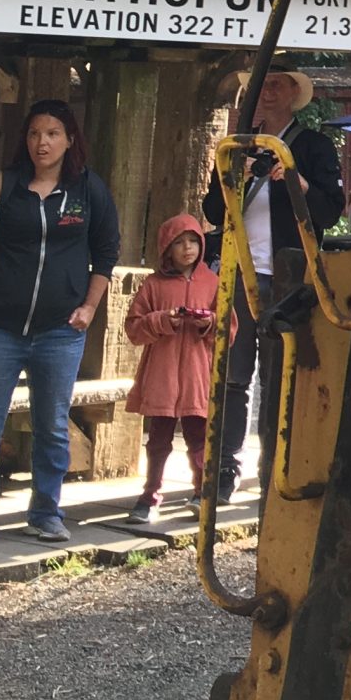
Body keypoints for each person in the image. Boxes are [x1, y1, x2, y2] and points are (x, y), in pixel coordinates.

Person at [0, 98, 121, 548]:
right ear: (26, 139)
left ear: (70, 140)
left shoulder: (87, 190)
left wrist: (89, 308)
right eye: (36, 133)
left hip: (60, 331)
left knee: (52, 424)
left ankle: (45, 513)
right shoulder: (3, 185)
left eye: (53, 133)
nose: (43, 142)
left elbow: (107, 250)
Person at [204, 65, 343, 499]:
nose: (266, 92)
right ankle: (223, 471)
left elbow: (330, 211)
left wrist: (297, 182)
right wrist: (235, 178)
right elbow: (213, 211)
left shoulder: (315, 147)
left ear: (293, 94)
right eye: (261, 85)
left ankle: (274, 472)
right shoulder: (238, 147)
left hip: (289, 276)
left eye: (276, 84)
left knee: (281, 376)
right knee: (233, 375)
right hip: (242, 271)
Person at [122, 212, 220, 527]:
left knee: (199, 436)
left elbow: (229, 328)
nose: (187, 249)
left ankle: (202, 492)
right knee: (158, 439)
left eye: (193, 241)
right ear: (167, 248)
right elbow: (134, 328)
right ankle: (149, 496)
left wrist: (210, 323)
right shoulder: (152, 285)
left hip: (197, 374)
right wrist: (163, 320)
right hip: (161, 374)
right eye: (179, 243)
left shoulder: (213, 282)